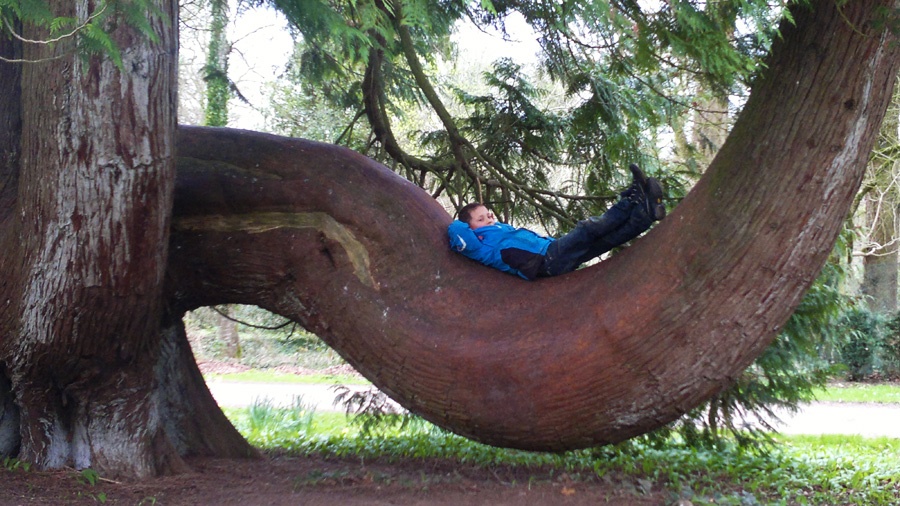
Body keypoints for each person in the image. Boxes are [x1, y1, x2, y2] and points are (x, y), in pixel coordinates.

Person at [447, 164, 665, 280]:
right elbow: (455, 229)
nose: (489, 219)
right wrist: (465, 224)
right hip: (545, 262)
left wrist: (485, 220)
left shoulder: (499, 229)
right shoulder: (479, 245)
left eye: (489, 214)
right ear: (471, 227)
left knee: (604, 241)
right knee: (587, 229)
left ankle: (644, 215)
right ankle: (631, 200)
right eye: (481, 219)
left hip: (551, 253)